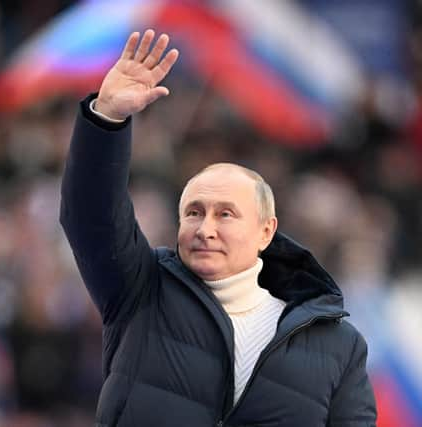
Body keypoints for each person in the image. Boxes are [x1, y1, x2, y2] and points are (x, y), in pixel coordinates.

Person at [60, 30, 377, 427]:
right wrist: (106, 117)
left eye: (225, 214)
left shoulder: (339, 347)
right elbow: (91, 217)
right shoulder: (142, 287)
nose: (205, 228)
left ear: (266, 231)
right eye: (194, 212)